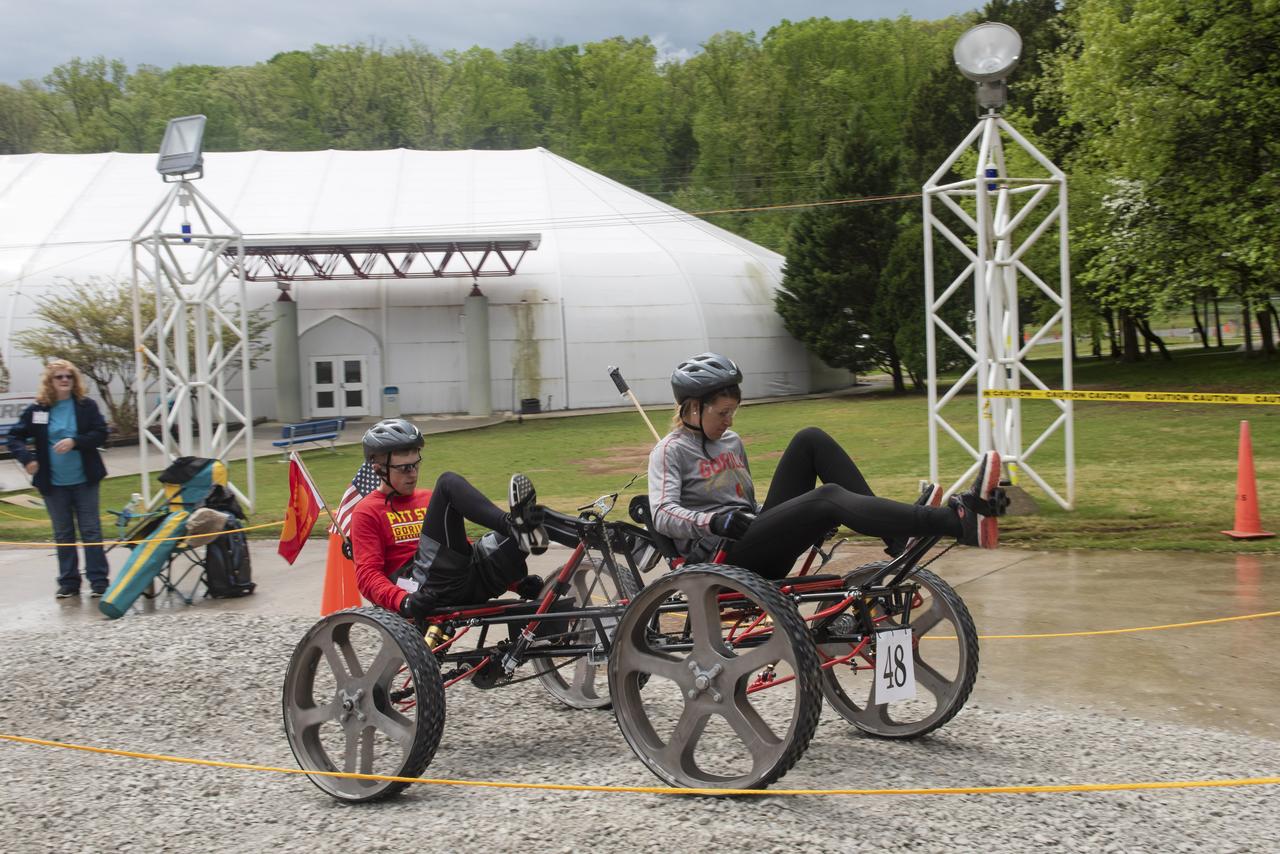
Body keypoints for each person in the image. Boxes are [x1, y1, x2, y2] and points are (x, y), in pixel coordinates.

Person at [647, 352, 1004, 580]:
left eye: (733, 412)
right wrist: (714, 520)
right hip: (721, 561)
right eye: (721, 413)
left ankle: (898, 537)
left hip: (755, 541)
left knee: (811, 438)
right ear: (692, 409)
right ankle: (954, 522)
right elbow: (662, 514)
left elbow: (746, 506)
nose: (729, 421)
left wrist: (794, 518)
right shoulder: (670, 451)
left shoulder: (732, 442)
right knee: (828, 498)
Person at [349, 418, 550, 620]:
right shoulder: (367, 511)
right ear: (378, 469)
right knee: (447, 483)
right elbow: (367, 575)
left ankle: (575, 539)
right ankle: (511, 524)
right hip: (425, 588)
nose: (413, 474)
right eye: (404, 468)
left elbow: (458, 547)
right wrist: (403, 600)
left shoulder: (427, 498)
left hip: (470, 579)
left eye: (416, 465)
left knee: (536, 518)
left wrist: (518, 584)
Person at [6, 359, 111, 598]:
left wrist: (76, 442)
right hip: (53, 484)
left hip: (85, 480)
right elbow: (15, 437)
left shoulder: (86, 406)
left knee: (91, 531)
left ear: (74, 380)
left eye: (69, 376)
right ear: (50, 382)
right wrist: (28, 459)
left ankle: (99, 582)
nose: (64, 380)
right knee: (63, 533)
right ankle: (69, 583)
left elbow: (101, 433)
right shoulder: (38, 410)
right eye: (59, 377)